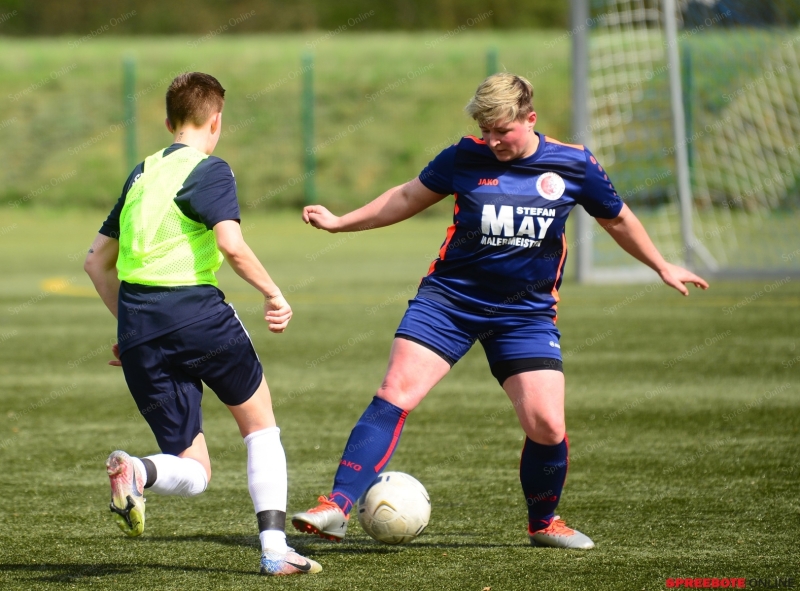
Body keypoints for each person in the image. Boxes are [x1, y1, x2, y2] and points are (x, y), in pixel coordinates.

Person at [292, 73, 708, 549]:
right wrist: (340, 223)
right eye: (485, 130)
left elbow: (617, 219)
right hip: (450, 301)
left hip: (525, 315)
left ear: (530, 119)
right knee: (395, 390)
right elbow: (407, 196)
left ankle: (543, 523)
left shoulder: (574, 164)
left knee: (547, 424)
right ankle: (337, 505)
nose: (492, 141)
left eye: (502, 131)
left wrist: (660, 265)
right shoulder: (463, 157)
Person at [83, 72, 321, 575]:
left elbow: (95, 263)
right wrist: (273, 293)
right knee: (260, 428)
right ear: (216, 121)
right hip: (199, 318)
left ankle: (139, 470)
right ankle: (275, 551)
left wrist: (131, 330)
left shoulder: (141, 173)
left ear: (169, 122)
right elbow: (231, 244)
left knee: (195, 471)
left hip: (141, 328)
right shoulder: (209, 169)